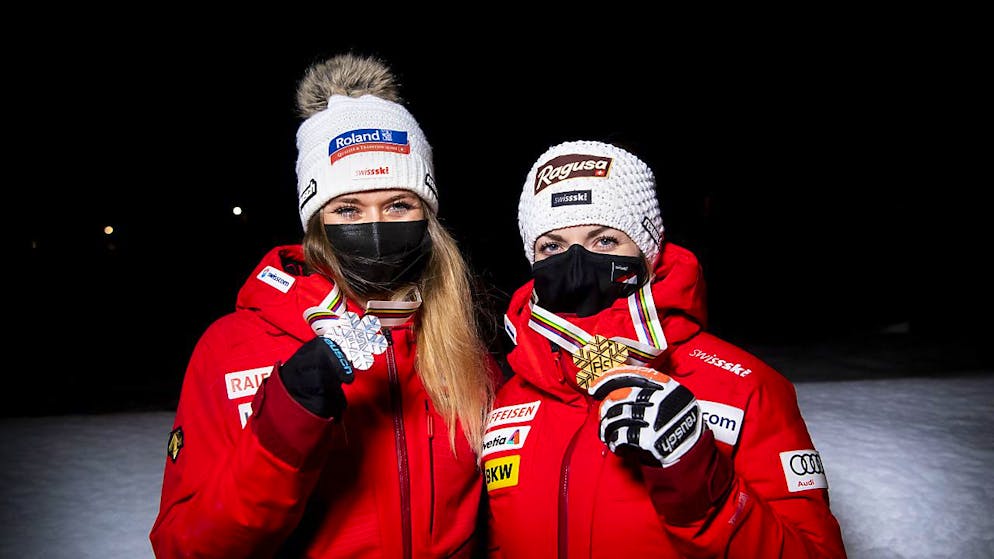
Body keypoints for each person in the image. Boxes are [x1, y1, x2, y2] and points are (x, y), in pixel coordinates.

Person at [150, 52, 497, 558]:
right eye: (348, 209)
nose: (376, 227)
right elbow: (186, 547)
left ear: (428, 217)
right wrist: (284, 423)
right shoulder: (233, 349)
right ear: (316, 223)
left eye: (399, 205)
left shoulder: (462, 342)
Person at [483, 140, 848, 558]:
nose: (577, 262)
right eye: (552, 246)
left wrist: (702, 483)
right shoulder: (509, 398)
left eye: (604, 240)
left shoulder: (744, 388)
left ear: (649, 249)